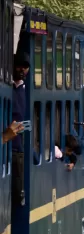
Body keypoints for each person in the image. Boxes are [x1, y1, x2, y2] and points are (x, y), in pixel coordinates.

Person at [12, 53, 30, 206]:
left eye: (25, 67)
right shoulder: (9, 88)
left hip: (18, 148)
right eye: (19, 66)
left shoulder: (27, 90)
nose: (22, 70)